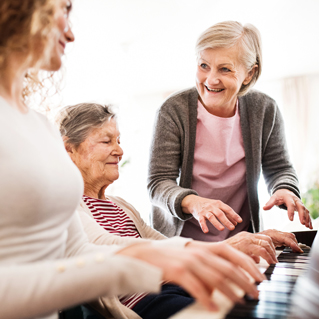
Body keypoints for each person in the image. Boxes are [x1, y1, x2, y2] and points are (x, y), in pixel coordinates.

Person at [0, 3, 263, 319]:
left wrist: (192, 251)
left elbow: (77, 251)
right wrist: (159, 262)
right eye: (63, 9)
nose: (70, 33)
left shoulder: (39, 125)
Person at [57, 102, 302, 319]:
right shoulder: (66, 204)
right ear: (69, 149)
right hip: (147, 302)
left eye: (118, 141)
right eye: (106, 141)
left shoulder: (121, 205)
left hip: (174, 287)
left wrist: (245, 243)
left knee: (258, 299)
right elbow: (104, 247)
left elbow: (169, 247)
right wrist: (227, 248)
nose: (119, 151)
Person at [147, 21, 313, 242]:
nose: (211, 79)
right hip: (183, 243)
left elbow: (279, 167)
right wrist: (194, 202)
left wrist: (284, 188)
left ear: (249, 73)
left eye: (225, 69)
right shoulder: (172, 111)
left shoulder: (264, 109)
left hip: (241, 239)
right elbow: (158, 182)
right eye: (203, 65)